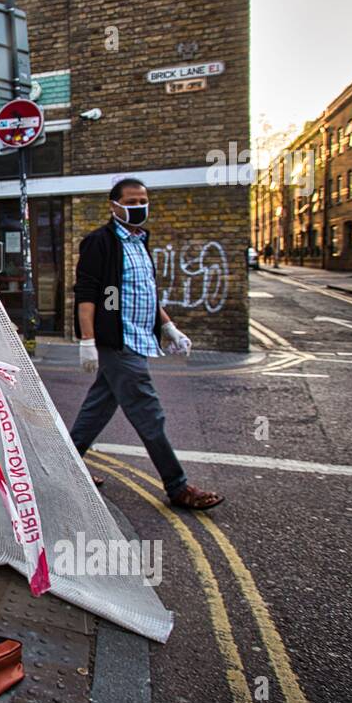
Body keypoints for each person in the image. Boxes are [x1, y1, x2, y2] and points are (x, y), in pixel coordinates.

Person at [69, 177, 224, 510]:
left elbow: (145, 293)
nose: (139, 207)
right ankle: (177, 486)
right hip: (118, 340)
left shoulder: (140, 241)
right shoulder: (100, 242)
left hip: (140, 337)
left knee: (96, 410)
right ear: (114, 206)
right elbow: (87, 295)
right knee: (149, 414)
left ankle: (65, 466)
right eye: (132, 201)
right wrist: (87, 340)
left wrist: (169, 328)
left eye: (143, 201)